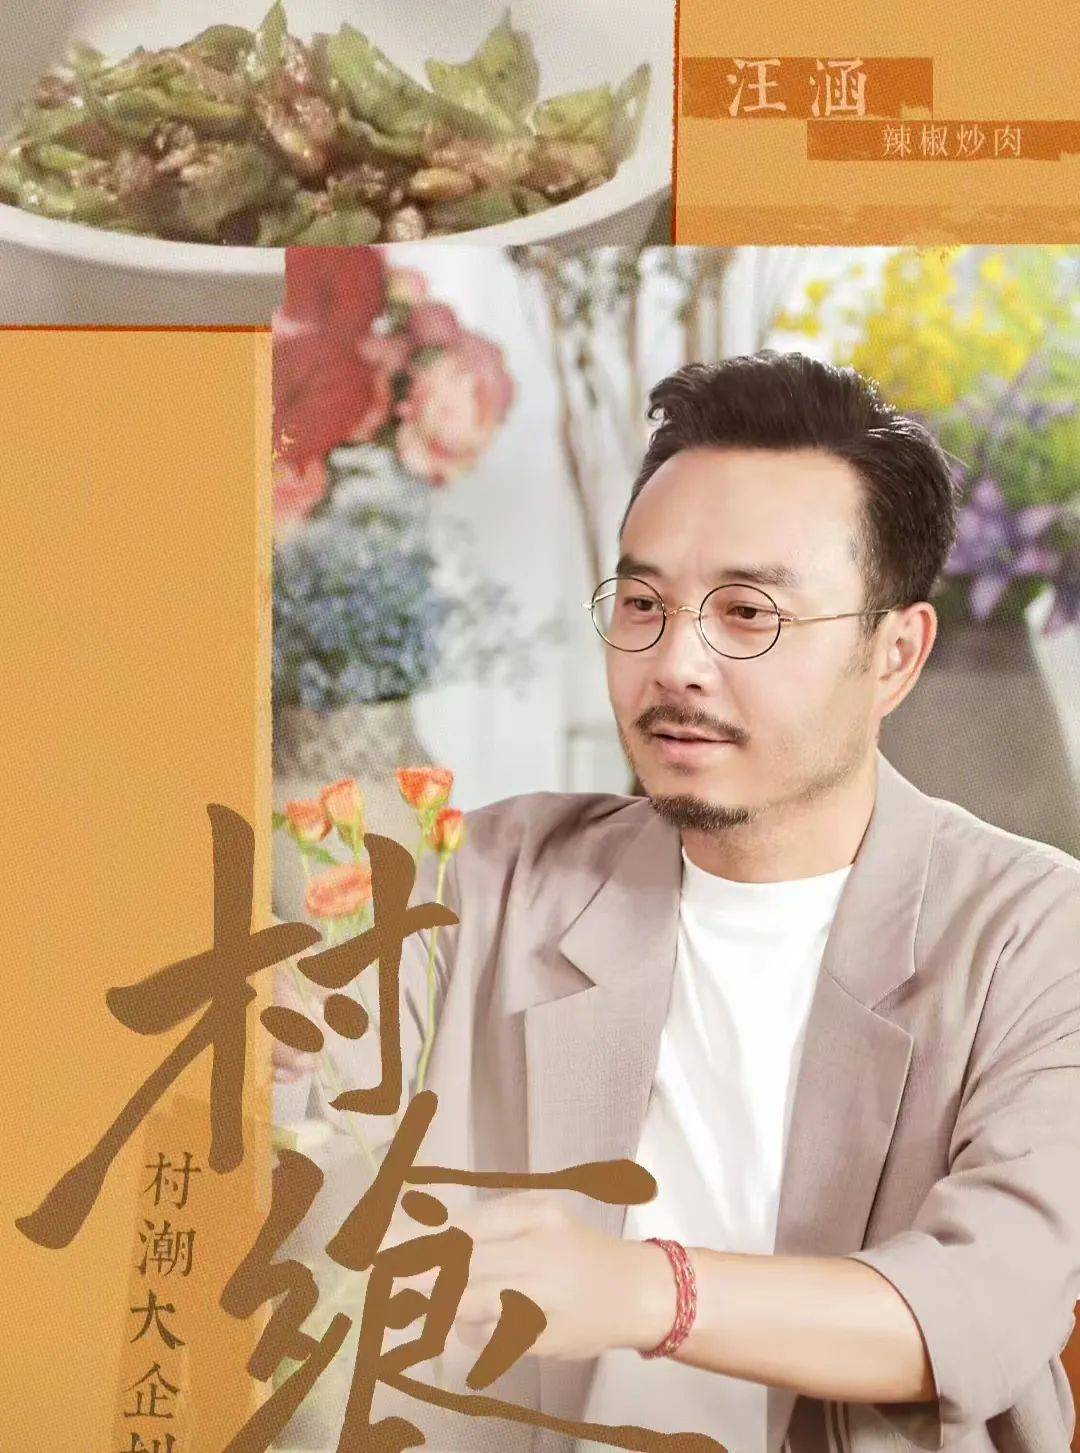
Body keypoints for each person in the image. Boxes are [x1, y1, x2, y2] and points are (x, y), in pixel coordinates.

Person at [275, 351, 1080, 1453]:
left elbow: (984, 1303)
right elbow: (315, 1085)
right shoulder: (500, 875)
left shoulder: (1033, 932)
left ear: (895, 654)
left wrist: (645, 1289)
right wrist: (274, 1052)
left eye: (749, 613)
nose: (676, 663)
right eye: (644, 604)